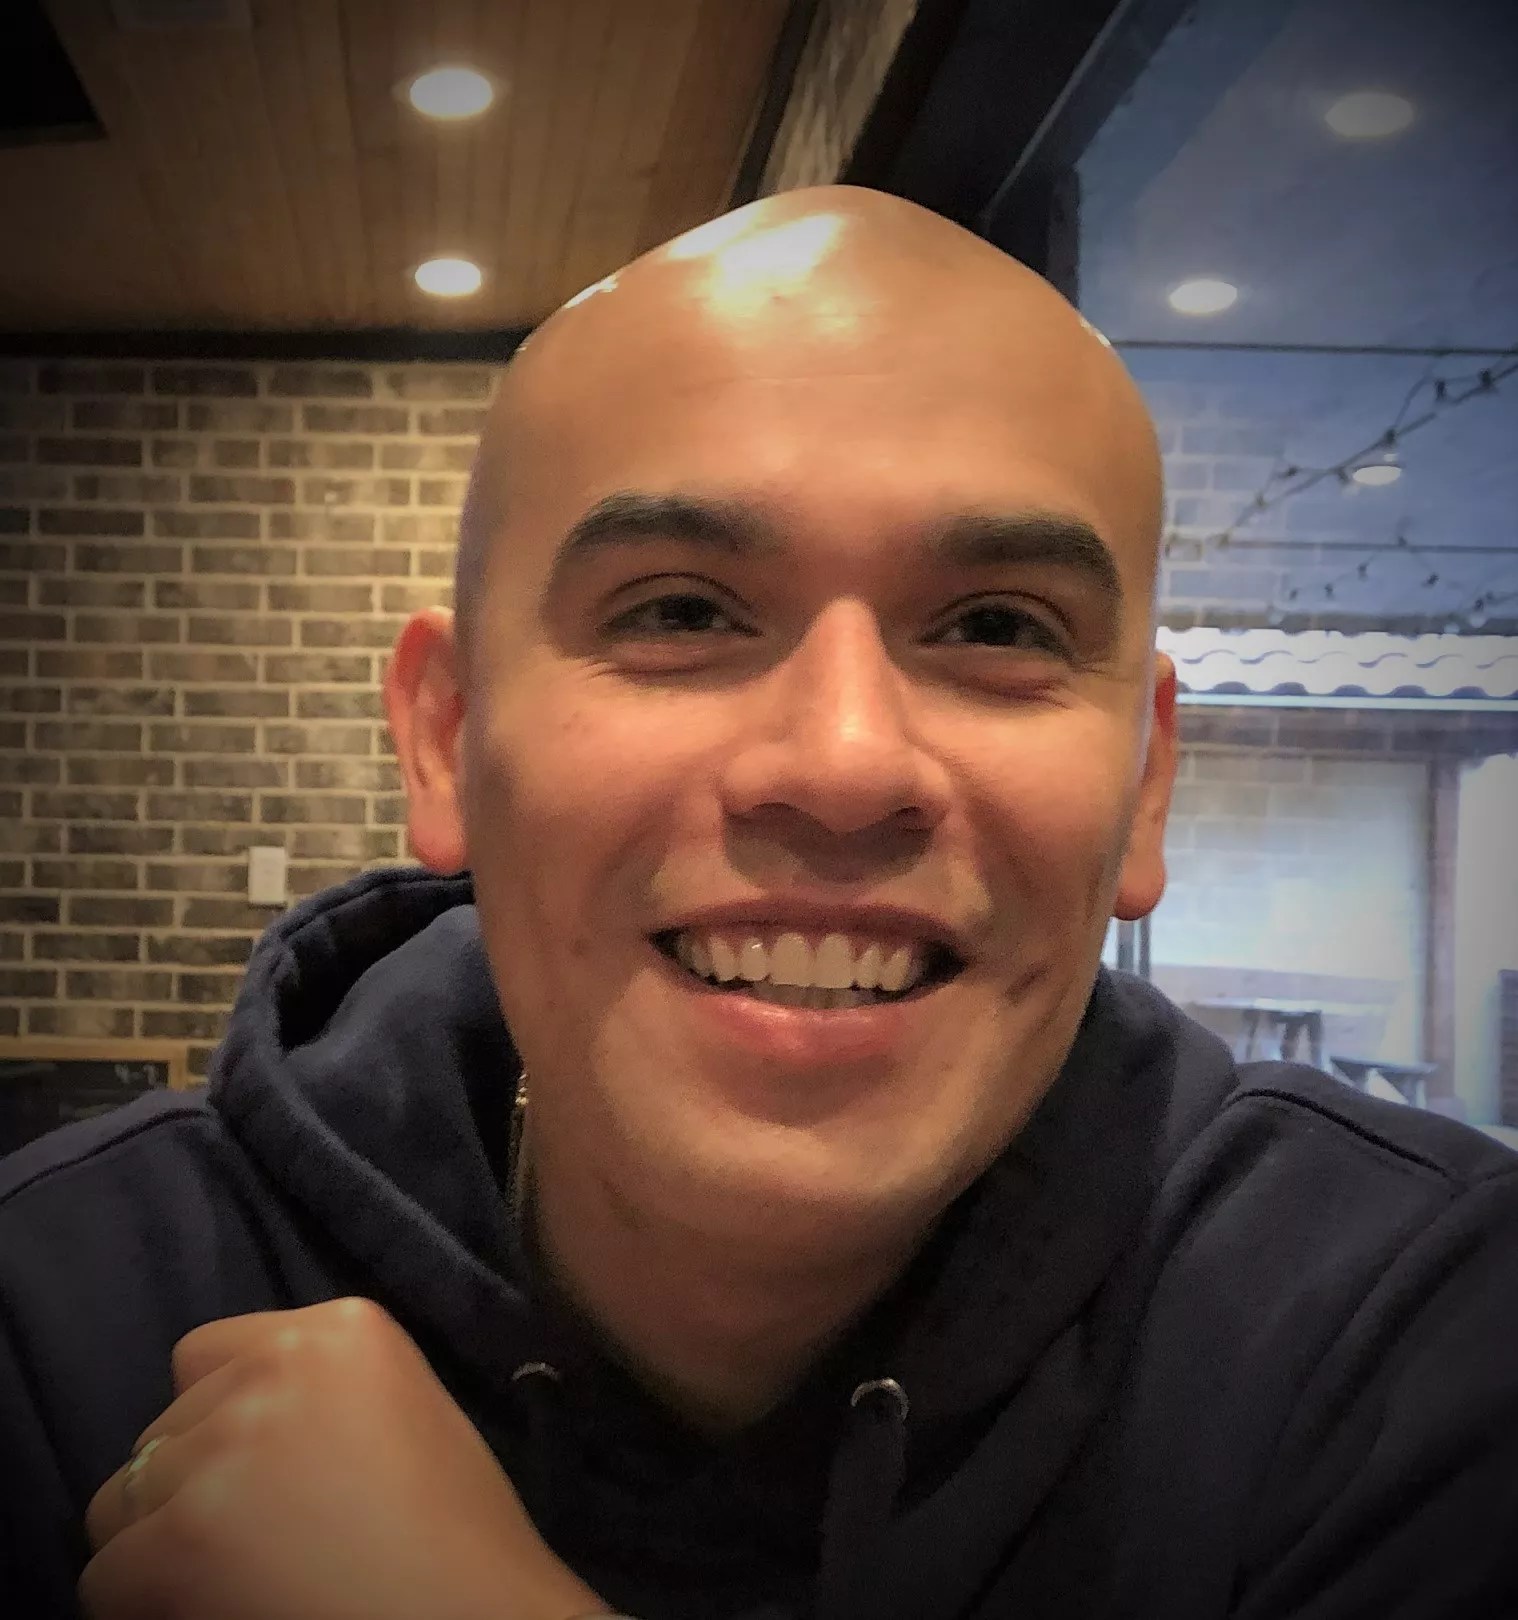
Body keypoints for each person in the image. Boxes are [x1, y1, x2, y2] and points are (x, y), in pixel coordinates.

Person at [1, 185, 1515, 1620]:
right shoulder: (59, 1323)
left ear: (1147, 782)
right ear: (448, 738)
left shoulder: (1424, 1342)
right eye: (678, 611)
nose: (844, 766)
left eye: (997, 626)